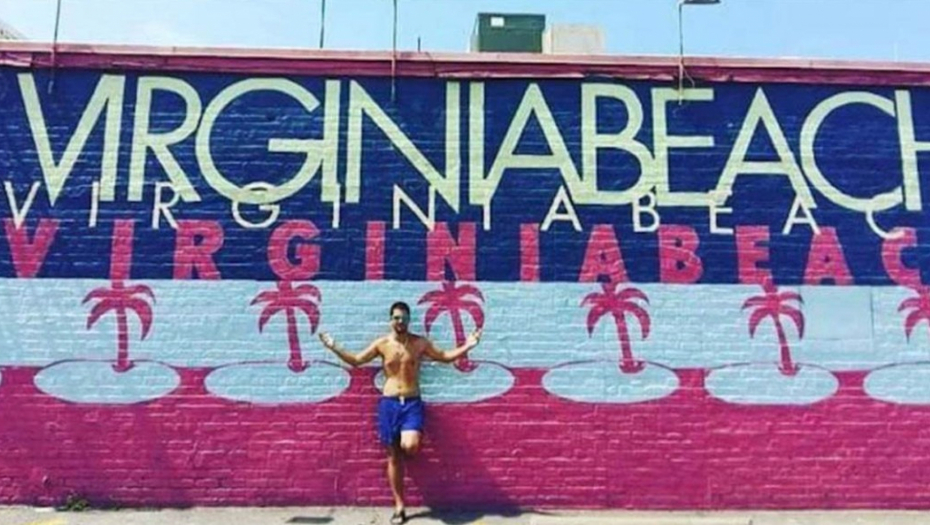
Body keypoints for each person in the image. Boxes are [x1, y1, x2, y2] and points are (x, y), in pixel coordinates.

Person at [318, 301, 481, 525]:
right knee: (393, 457)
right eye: (396, 318)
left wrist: (468, 346)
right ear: (390, 320)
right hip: (389, 404)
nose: (400, 322)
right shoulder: (382, 344)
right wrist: (333, 346)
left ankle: (407, 449)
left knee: (410, 445)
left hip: (412, 403)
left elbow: (444, 356)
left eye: (404, 318)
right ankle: (399, 506)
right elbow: (356, 361)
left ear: (409, 320)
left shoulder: (419, 343)